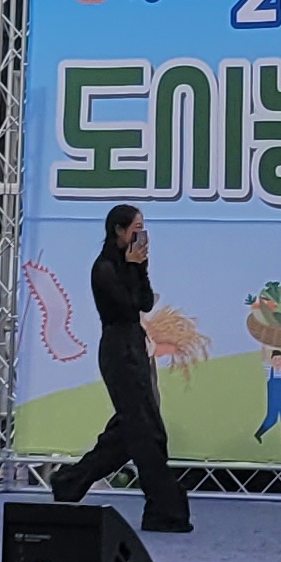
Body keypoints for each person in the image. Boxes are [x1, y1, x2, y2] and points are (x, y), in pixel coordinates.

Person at [49, 205, 191, 532]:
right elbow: (125, 307)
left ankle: (70, 481)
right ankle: (163, 507)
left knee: (131, 429)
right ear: (119, 230)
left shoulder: (131, 265)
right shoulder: (103, 268)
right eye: (135, 227)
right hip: (117, 349)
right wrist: (131, 267)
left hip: (135, 345)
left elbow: (145, 302)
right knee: (145, 429)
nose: (141, 233)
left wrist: (140, 268)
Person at [254, 346, 281, 445]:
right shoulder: (269, 371)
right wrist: (263, 346)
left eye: (279, 359)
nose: (277, 361)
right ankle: (258, 434)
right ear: (272, 361)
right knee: (272, 419)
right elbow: (263, 359)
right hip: (273, 402)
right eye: (275, 359)